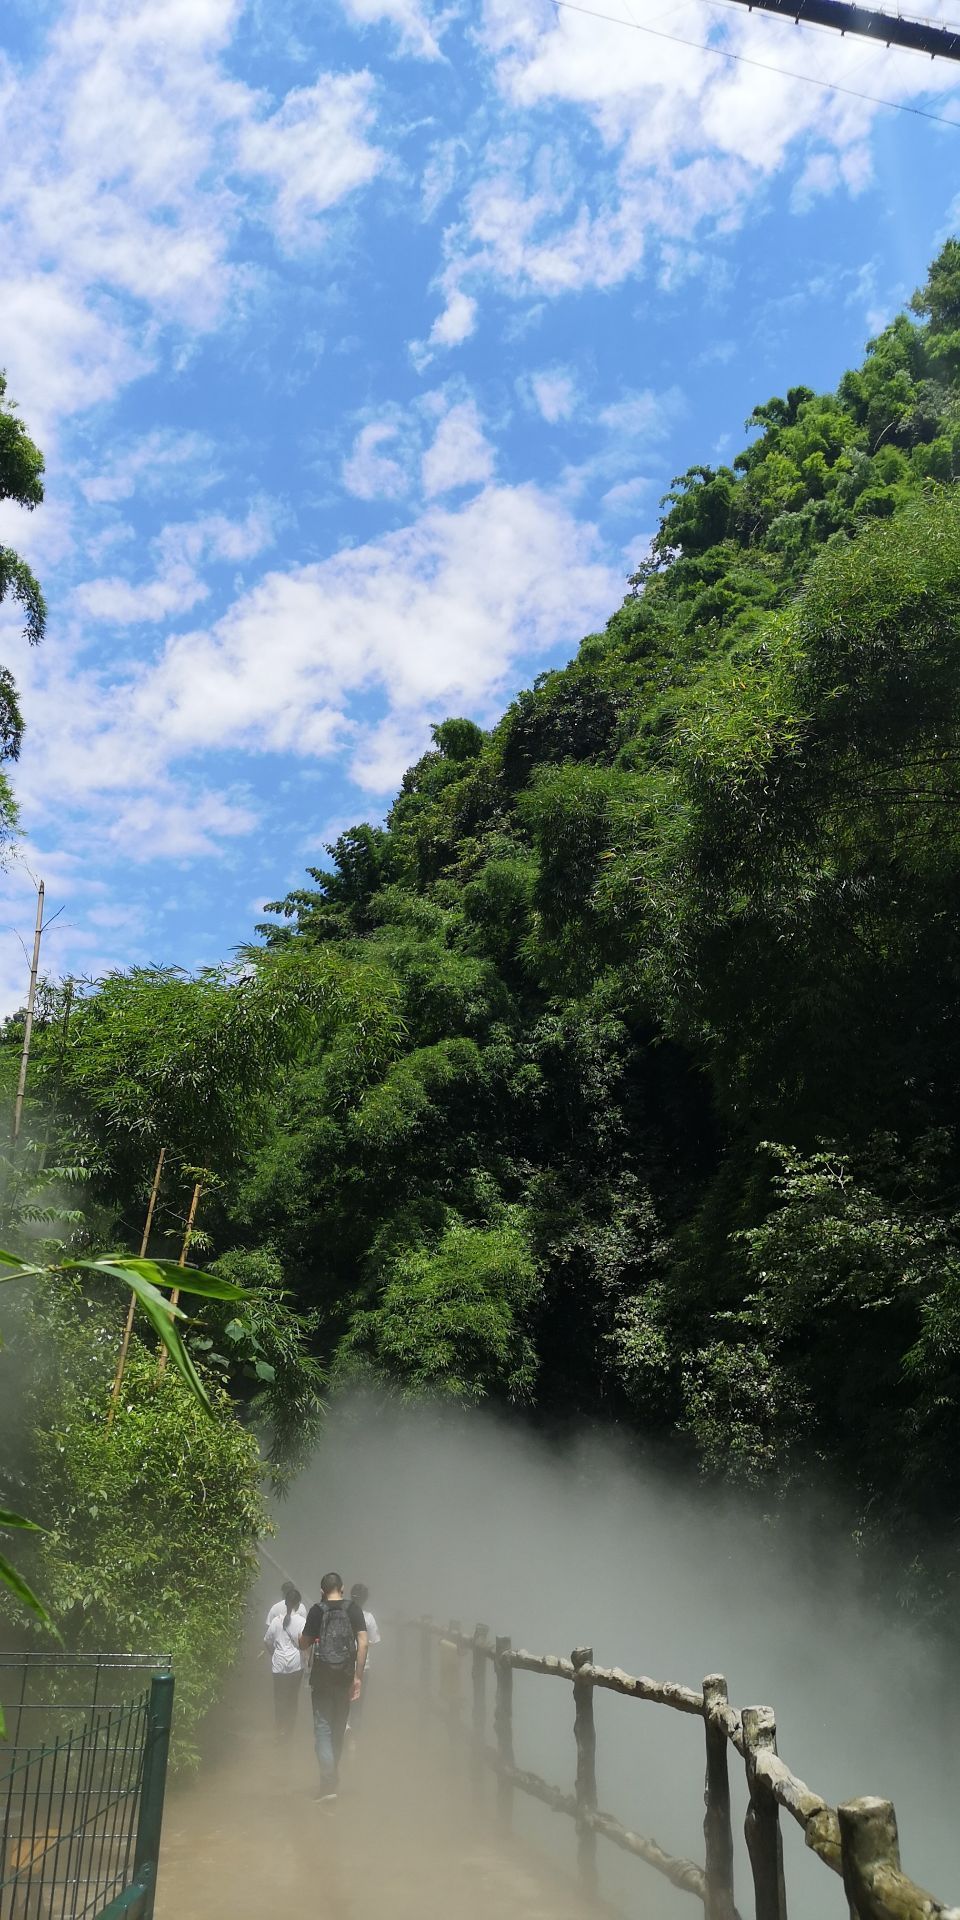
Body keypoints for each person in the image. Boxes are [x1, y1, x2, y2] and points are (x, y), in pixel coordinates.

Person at [300, 1572, 368, 1803]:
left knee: (323, 1730)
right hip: (345, 1678)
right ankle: (332, 1780)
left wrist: (302, 1639)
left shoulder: (316, 1611)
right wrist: (358, 1677)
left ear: (322, 1591)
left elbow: (304, 1643)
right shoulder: (353, 1610)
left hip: (321, 1679)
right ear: (342, 1588)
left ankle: (328, 1784)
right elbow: (363, 1643)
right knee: (338, 1729)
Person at [264, 1585, 306, 1738]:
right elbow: (305, 1644)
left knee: (279, 1697)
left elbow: (267, 1641)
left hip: (279, 1665)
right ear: (298, 1604)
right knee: (292, 1697)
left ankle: (279, 1727)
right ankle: (289, 1730)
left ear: (286, 1602)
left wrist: (274, 1654)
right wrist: (308, 1662)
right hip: (296, 1665)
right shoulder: (302, 1621)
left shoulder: (276, 1621)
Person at [347, 1583, 380, 1732]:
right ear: (365, 1599)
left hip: (342, 1664)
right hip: (362, 1666)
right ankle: (354, 1735)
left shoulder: (342, 1613)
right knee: (358, 1702)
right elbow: (374, 1641)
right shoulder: (368, 1617)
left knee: (342, 1699)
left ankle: (342, 1731)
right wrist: (362, 1644)